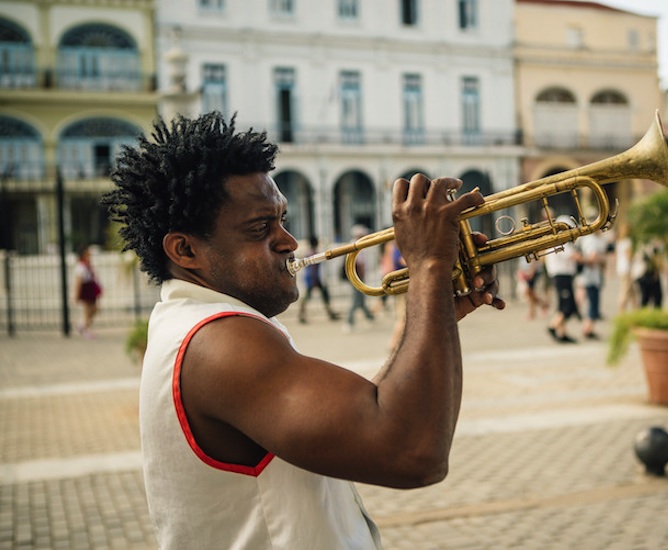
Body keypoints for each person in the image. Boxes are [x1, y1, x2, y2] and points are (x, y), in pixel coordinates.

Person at [101, 112, 505, 549]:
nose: (289, 241)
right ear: (185, 249)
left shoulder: (197, 325)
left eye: (282, 219)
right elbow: (413, 451)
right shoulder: (217, 341)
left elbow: (369, 413)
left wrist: (435, 304)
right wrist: (428, 264)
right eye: (260, 228)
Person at [544, 217, 581, 344]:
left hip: (559, 276)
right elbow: (573, 256)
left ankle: (562, 332)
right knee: (567, 306)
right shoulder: (561, 242)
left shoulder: (554, 241)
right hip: (562, 276)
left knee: (562, 305)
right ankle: (553, 326)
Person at [298, 236, 340, 323]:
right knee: (318, 296)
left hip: (311, 277)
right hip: (314, 277)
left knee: (318, 296)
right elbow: (313, 268)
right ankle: (329, 313)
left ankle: (302, 315)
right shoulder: (314, 253)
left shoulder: (309, 252)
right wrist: (315, 281)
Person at [343, 224, 376, 333]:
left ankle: (369, 318)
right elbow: (360, 264)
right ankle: (349, 322)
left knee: (361, 301)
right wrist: (361, 278)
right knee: (356, 301)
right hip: (357, 277)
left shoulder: (356, 244)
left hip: (356, 277)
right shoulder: (356, 246)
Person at [576, 231, 608, 339]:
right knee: (593, 303)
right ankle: (588, 329)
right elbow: (593, 258)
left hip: (588, 276)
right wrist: (601, 259)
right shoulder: (592, 240)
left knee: (591, 302)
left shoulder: (586, 239)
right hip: (591, 277)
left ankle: (588, 328)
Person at [74, 244, 102, 338]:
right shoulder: (80, 266)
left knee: (94, 309)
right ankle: (85, 329)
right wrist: (76, 295)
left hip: (90, 289)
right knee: (87, 310)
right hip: (86, 289)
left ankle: (82, 324)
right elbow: (78, 282)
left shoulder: (87, 264)